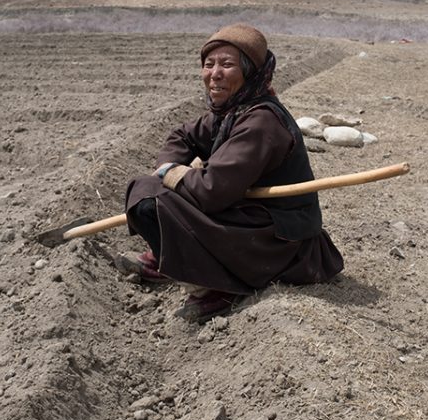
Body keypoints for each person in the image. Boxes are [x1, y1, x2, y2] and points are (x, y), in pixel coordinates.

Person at [117, 23, 344, 323]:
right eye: (209, 64)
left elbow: (211, 191)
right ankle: (170, 259)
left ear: (250, 72)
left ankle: (218, 286)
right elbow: (182, 136)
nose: (215, 73)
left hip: (278, 240)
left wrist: (172, 175)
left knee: (150, 200)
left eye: (227, 64)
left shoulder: (261, 122)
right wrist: (169, 168)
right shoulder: (234, 111)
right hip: (248, 218)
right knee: (151, 192)